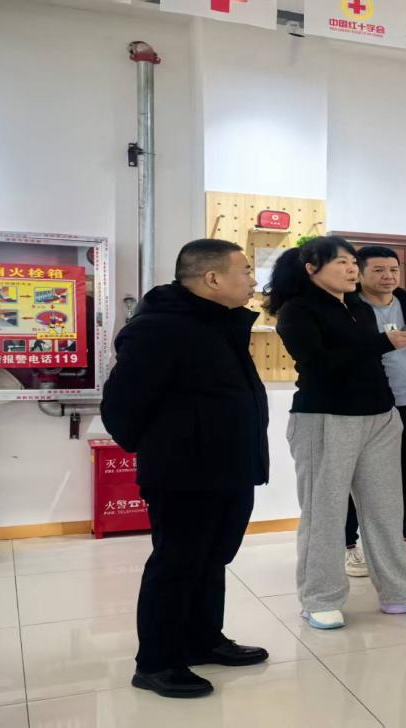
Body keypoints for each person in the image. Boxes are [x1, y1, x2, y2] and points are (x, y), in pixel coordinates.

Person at [102, 238, 270, 699]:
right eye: (245, 270)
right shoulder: (160, 328)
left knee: (212, 560)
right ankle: (157, 662)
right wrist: (167, 449)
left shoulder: (221, 323)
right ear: (213, 278)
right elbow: (121, 406)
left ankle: (202, 639)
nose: (253, 279)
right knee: (176, 564)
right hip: (184, 474)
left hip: (230, 467)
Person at [267, 236, 406, 630]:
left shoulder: (357, 307)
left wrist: (390, 406)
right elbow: (317, 362)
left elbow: (370, 362)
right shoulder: (297, 310)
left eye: (353, 262)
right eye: (342, 262)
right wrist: (382, 342)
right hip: (325, 418)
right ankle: (319, 598)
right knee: (325, 513)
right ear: (312, 269)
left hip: (379, 417)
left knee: (386, 509)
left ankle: (402, 592)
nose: (352, 269)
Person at [343, 246, 406, 578]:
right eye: (379, 270)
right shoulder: (348, 307)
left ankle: (400, 540)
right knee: (355, 480)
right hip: (366, 407)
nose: (388, 276)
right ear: (359, 273)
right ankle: (349, 546)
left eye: (393, 270)